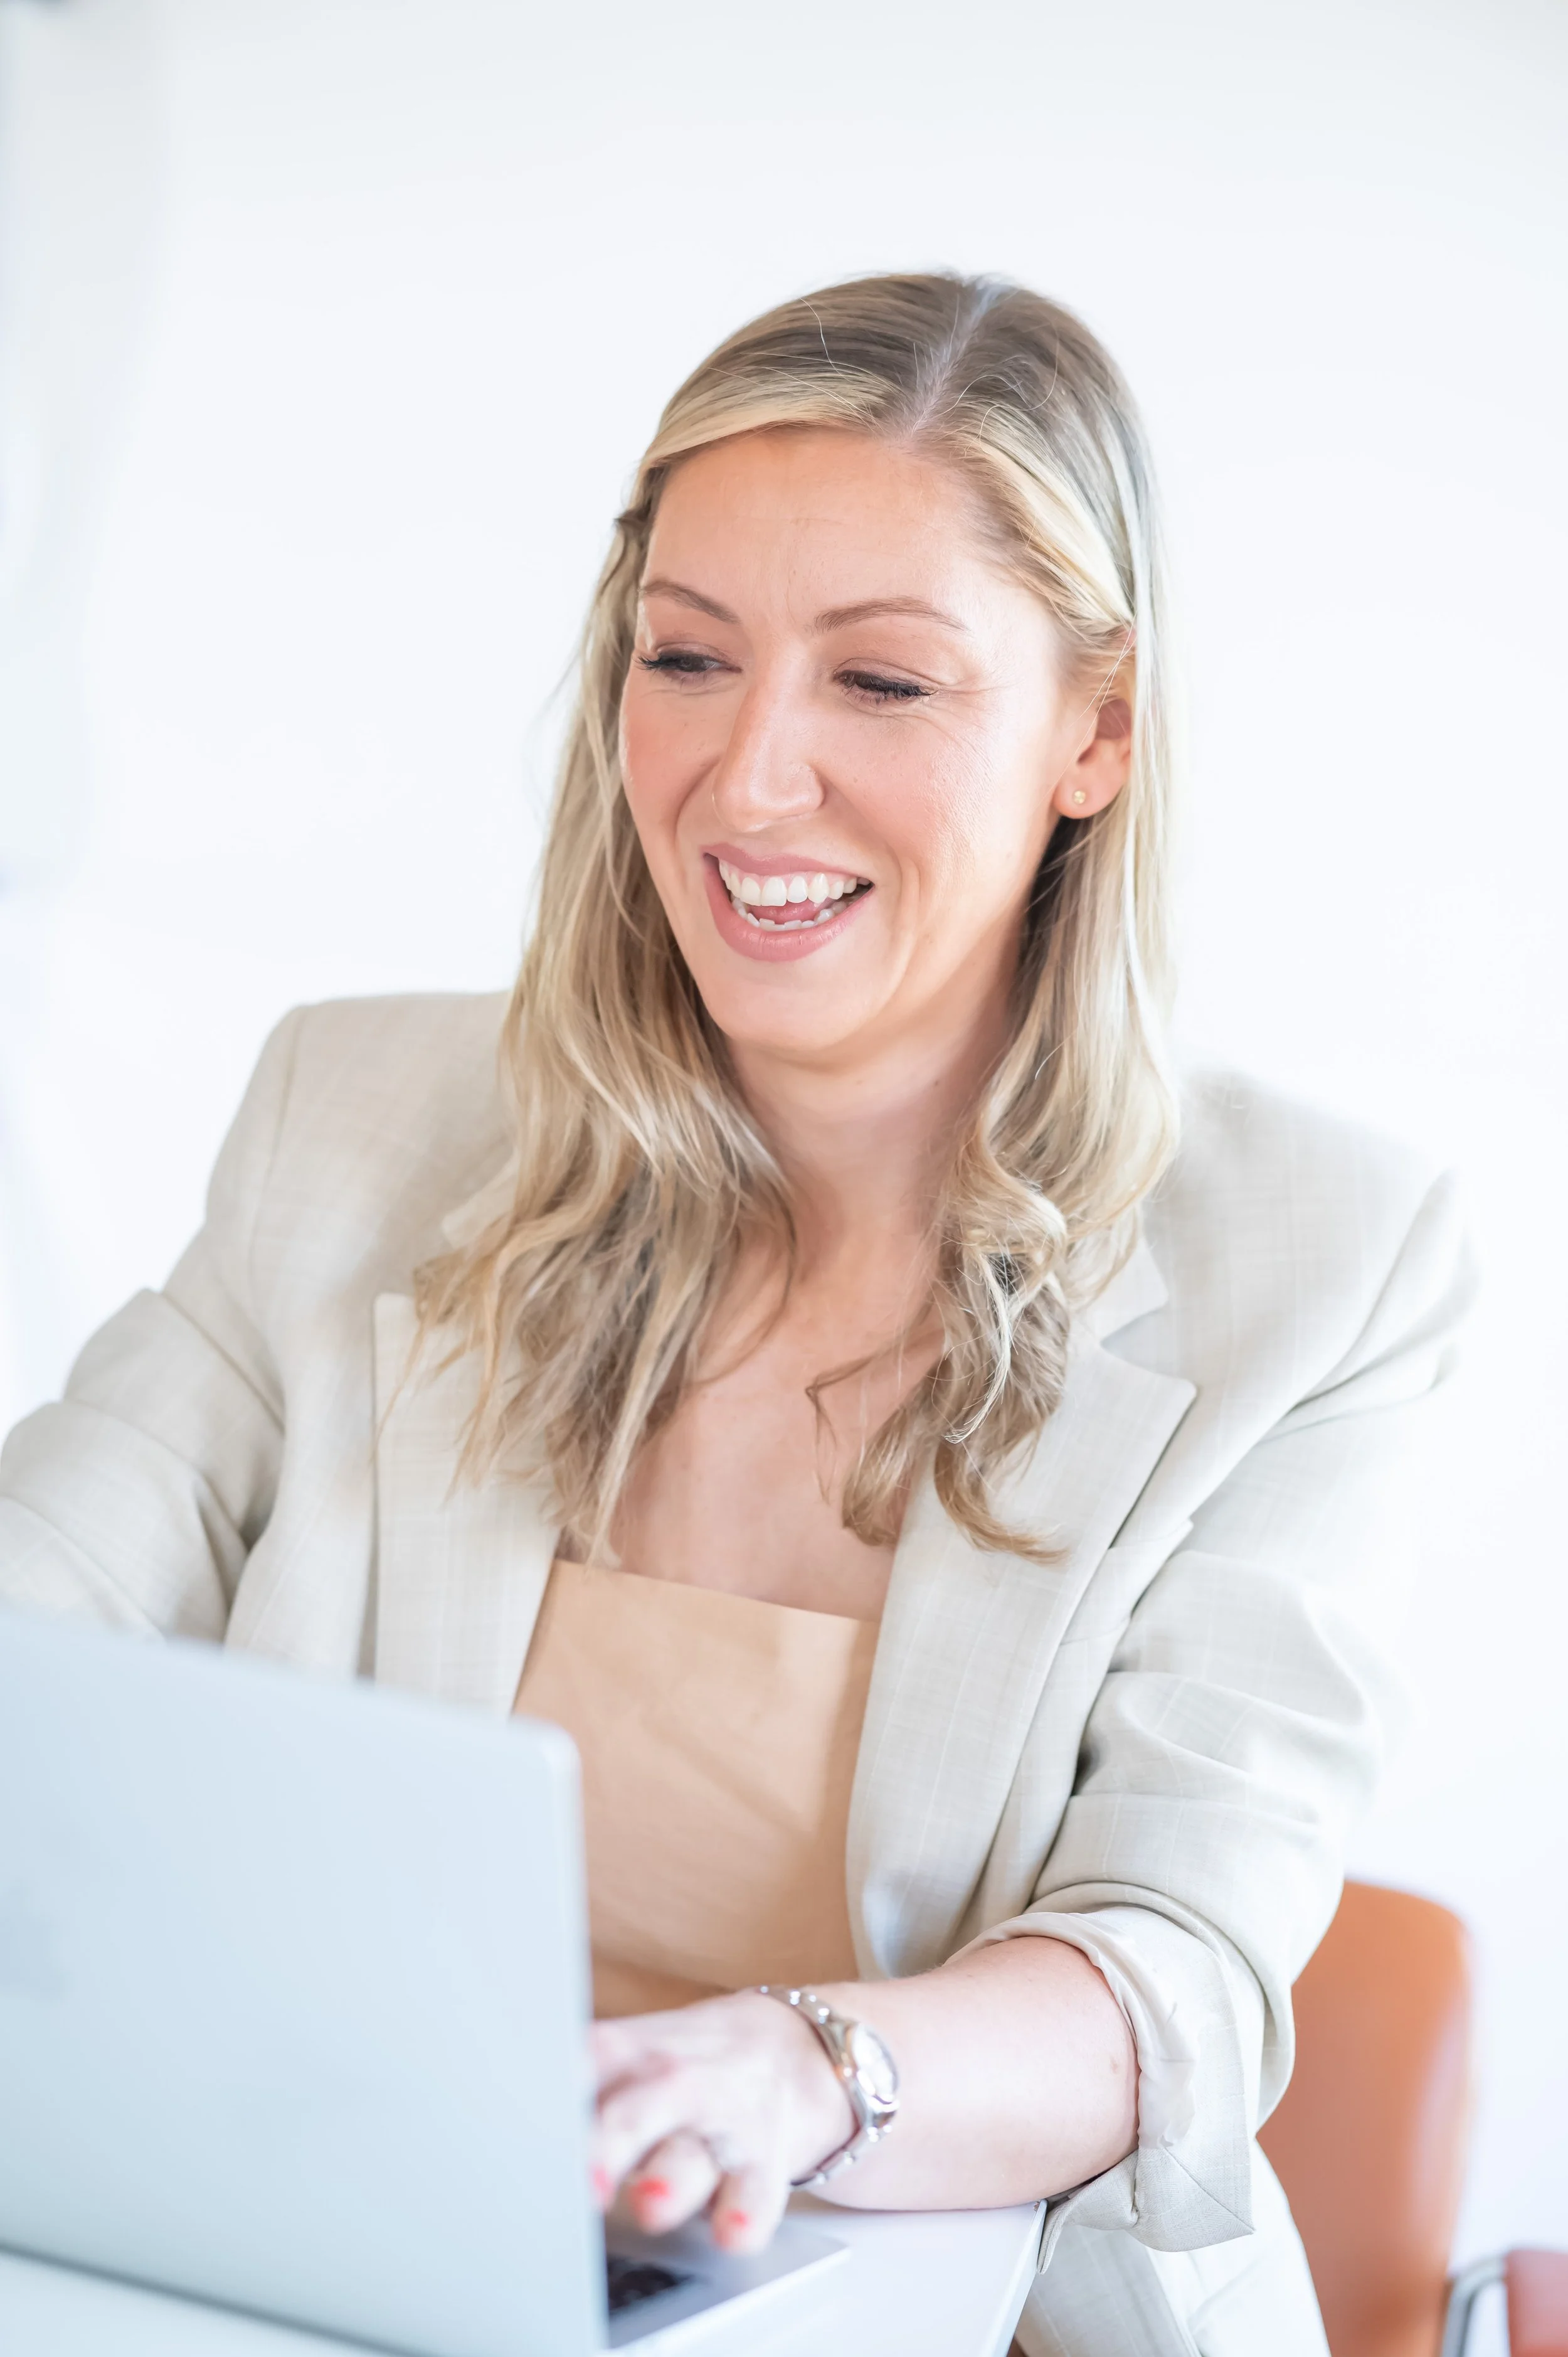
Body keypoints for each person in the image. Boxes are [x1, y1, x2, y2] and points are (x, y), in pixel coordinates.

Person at [0, 273, 1468, 2356]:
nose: (748, 779)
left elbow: (1174, 1969)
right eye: (687, 658)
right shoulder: (356, 1115)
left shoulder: (1322, 1263)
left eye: (880, 681)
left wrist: (804, 2070)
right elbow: (40, 1604)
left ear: (1097, 730)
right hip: (345, 2275)